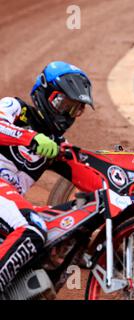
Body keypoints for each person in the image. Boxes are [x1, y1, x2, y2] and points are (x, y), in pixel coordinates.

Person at [0, 61, 93, 293]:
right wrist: (29, 138)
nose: (67, 114)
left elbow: (90, 174)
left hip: (5, 206)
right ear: (43, 92)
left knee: (53, 237)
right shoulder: (15, 108)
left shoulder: (57, 145)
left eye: (75, 109)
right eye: (63, 104)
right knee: (32, 227)